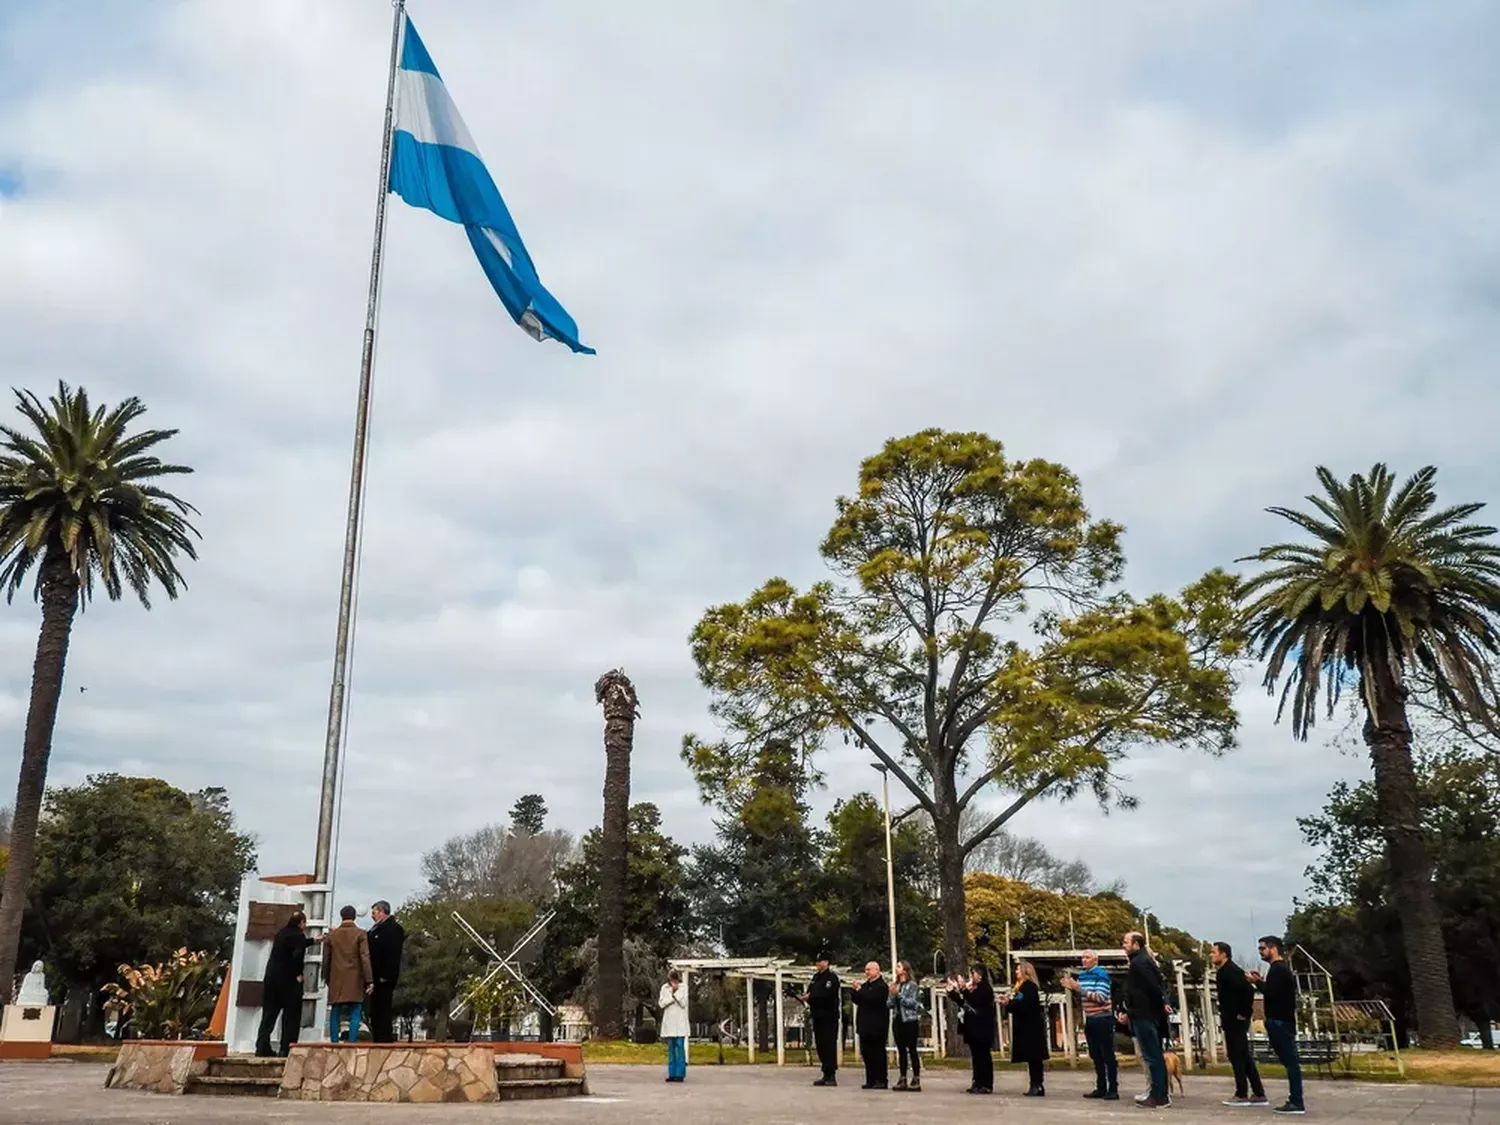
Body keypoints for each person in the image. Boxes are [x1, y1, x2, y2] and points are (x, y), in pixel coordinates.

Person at [1250, 936, 1305, 1115]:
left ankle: (1296, 1101)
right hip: (1280, 1020)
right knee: (1289, 1061)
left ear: (1273, 949)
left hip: (1280, 1021)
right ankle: (1295, 1099)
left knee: (1291, 1062)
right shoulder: (1278, 970)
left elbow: (1271, 992)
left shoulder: (1279, 969)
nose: (1260, 952)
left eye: (1262, 948)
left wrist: (1256, 982)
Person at [1213, 942, 1268, 1107]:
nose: (1211, 955)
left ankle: (1241, 1093)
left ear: (1224, 954)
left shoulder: (1231, 971)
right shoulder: (1223, 972)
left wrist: (1243, 1014)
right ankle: (1258, 1093)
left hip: (1236, 1020)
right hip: (1231, 1019)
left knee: (1236, 1055)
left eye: (1214, 952)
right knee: (1243, 1056)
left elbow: (1248, 990)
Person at [1121, 930, 1170, 1109]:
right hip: (1144, 1013)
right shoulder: (1141, 961)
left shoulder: (1140, 963)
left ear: (1136, 944)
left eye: (1126, 941)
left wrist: (1157, 1007)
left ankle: (1159, 1096)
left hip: (1144, 1014)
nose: (1123, 945)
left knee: (1152, 1056)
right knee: (1152, 1055)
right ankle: (1157, 1094)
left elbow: (1154, 987)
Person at [1063, 951, 1118, 1100]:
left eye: (1087, 958)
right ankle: (1101, 1087)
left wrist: (1078, 988)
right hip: (1091, 1018)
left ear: (1095, 960)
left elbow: (1101, 997)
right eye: (1082, 957)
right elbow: (1083, 996)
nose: (1084, 960)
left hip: (1103, 1018)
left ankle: (1113, 1088)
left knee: (1107, 1054)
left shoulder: (1101, 975)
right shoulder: (1082, 975)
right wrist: (1072, 989)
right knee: (1096, 1054)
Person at [255, 910, 311, 1057]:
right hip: (289, 982)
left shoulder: (281, 933)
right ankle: (286, 1048)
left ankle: (262, 1046)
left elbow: (291, 946)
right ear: (301, 923)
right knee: (291, 1016)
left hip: (272, 979)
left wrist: (314, 940)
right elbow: (297, 955)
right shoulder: (299, 935)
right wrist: (298, 974)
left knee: (269, 1015)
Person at [322, 905, 373, 1042]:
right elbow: (365, 957)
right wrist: (369, 979)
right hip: (355, 978)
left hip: (336, 977)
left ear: (341, 916)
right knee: (355, 1010)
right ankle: (351, 1042)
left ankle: (334, 1041)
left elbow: (326, 959)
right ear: (354, 916)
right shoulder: (361, 934)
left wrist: (325, 977)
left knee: (335, 1011)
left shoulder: (332, 935)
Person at [947, 964, 996, 1094]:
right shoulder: (973, 989)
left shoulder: (985, 989)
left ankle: (986, 1083)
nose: (971, 977)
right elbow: (965, 1002)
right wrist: (953, 993)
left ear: (979, 975)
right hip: (973, 1027)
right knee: (976, 1056)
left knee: (983, 1056)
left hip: (982, 1027)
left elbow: (974, 1000)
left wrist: (964, 989)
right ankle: (977, 1081)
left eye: (972, 974)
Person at [1004, 959, 1050, 1097]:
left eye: (1018, 969)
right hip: (1029, 1026)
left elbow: (1020, 1004)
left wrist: (1010, 1003)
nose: (1016, 972)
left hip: (1030, 1028)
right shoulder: (1023, 987)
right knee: (1033, 1059)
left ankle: (1037, 1084)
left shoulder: (1027, 987)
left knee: (1034, 1058)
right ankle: (1035, 1084)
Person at [366, 900, 406, 1044]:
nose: (372, 916)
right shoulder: (374, 930)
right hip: (374, 976)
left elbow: (392, 954)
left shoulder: (393, 929)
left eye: (374, 912)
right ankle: (378, 1037)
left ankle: (384, 1039)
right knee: (375, 1010)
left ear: (382, 912)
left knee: (383, 1008)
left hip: (384, 977)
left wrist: (386, 975)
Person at [801, 952, 841, 1087]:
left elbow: (827, 995)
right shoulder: (816, 978)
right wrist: (807, 996)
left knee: (829, 1045)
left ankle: (831, 1074)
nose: (818, 964)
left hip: (829, 1016)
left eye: (821, 961)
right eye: (817, 961)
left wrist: (811, 997)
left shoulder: (831, 978)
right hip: (818, 1015)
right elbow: (811, 991)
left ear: (827, 962)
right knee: (820, 1045)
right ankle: (825, 1072)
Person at [850, 961, 890, 1090]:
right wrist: (854, 991)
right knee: (867, 1053)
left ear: (877, 971)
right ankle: (870, 1079)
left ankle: (881, 1080)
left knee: (878, 1053)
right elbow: (859, 999)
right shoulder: (866, 985)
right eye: (865, 970)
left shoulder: (882, 986)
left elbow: (872, 999)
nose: (866, 972)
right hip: (864, 1025)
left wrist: (860, 991)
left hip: (877, 1026)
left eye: (869, 970)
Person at [888, 961, 922, 1092]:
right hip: (898, 1019)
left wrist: (899, 995)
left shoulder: (912, 985)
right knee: (901, 1050)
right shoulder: (896, 984)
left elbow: (912, 1003)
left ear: (905, 969)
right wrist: (892, 995)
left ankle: (916, 1077)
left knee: (912, 1049)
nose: (896, 969)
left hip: (909, 1020)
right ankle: (902, 1077)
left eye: (899, 966)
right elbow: (889, 1004)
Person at [658, 970, 689, 1083]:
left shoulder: (683, 987)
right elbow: (661, 1004)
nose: (673, 981)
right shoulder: (664, 988)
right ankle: (672, 1073)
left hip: (680, 1024)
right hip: (669, 1023)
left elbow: (683, 1003)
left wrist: (676, 992)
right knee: (671, 1050)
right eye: (672, 980)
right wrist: (671, 996)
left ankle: (680, 1074)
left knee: (680, 1049)